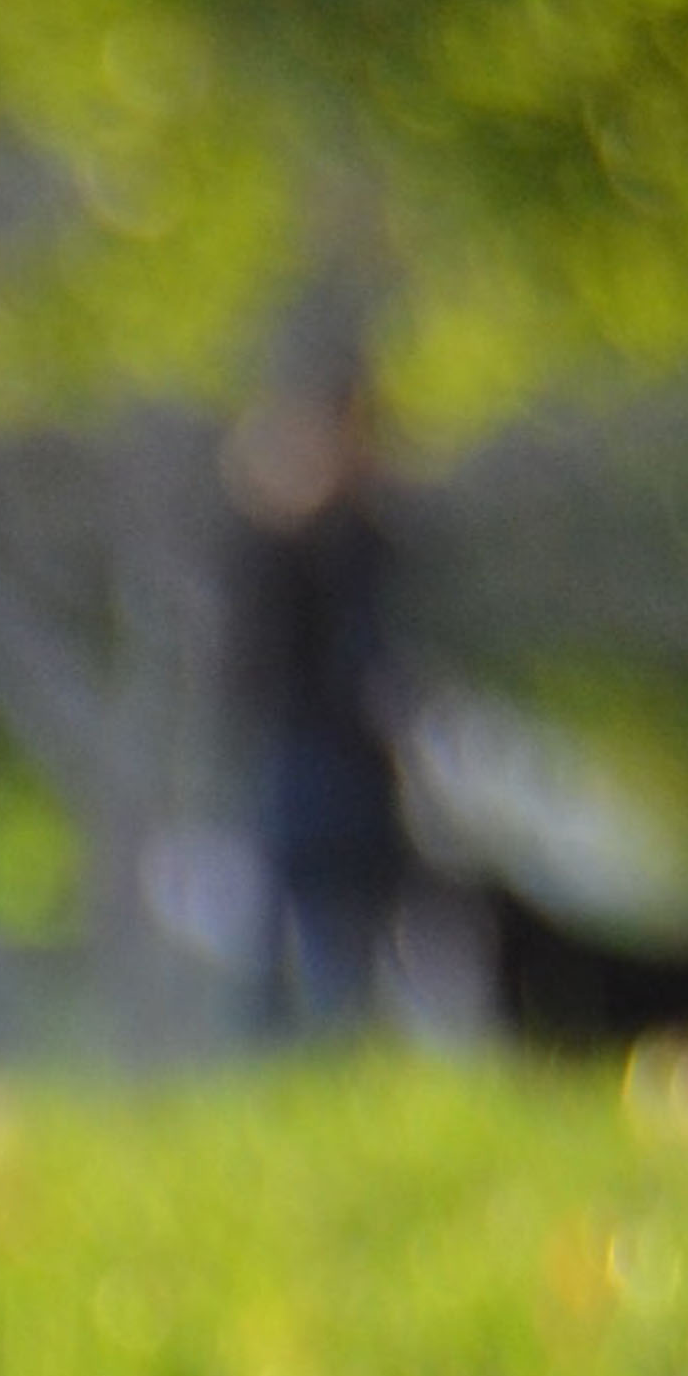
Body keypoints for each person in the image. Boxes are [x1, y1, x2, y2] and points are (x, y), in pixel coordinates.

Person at [224, 365, 420, 1036]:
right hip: (308, 756)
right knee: (304, 911)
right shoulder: (285, 550)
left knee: (357, 915)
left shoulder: (370, 543)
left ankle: (344, 1042)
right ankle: (291, 1046)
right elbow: (261, 666)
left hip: (354, 760)